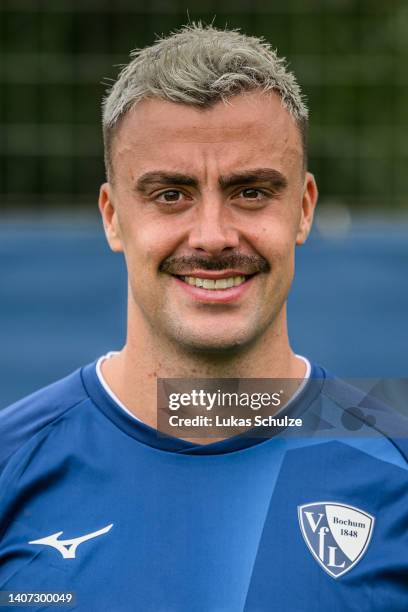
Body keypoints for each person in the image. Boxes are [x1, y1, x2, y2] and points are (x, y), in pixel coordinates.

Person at [0, 24, 407, 612]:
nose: (213, 236)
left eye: (251, 192)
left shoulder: (392, 466)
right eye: (171, 194)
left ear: (304, 208)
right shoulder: (15, 465)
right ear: (113, 217)